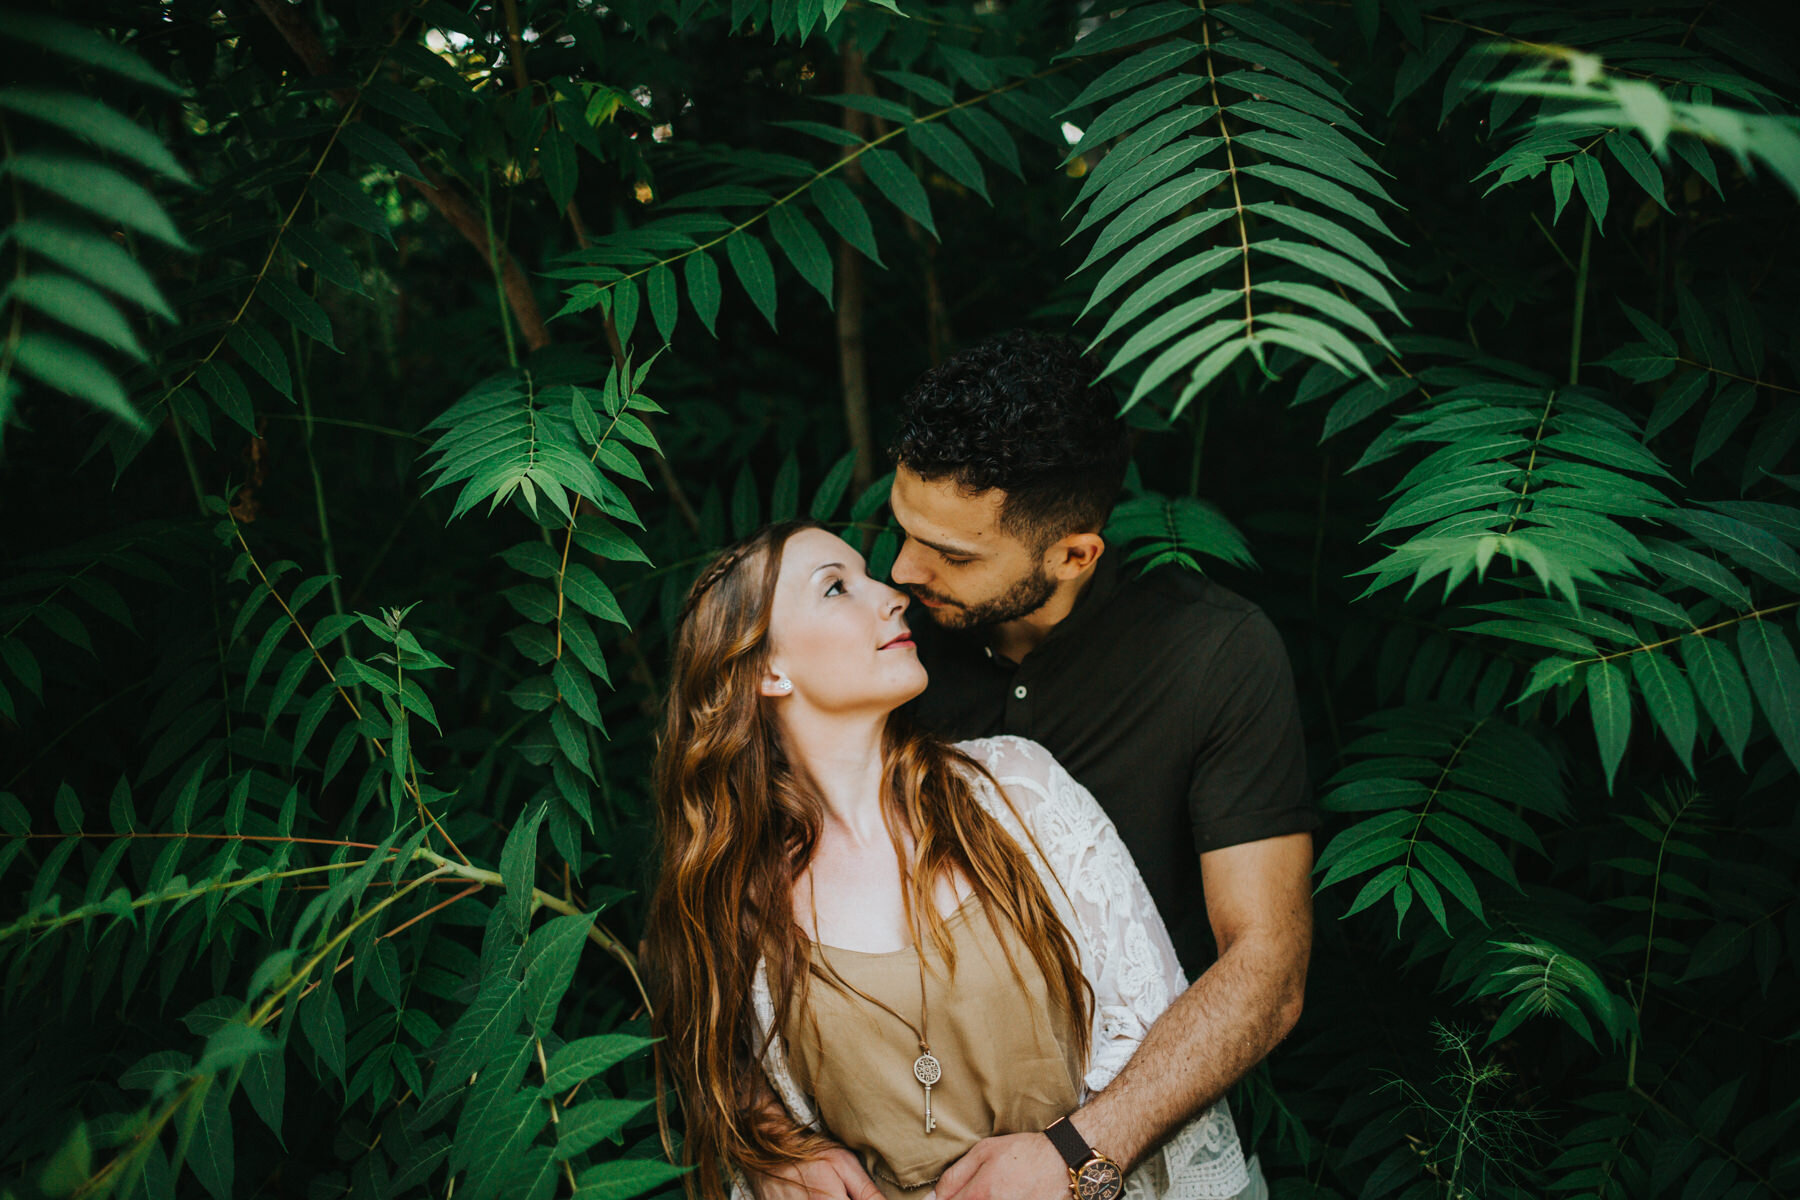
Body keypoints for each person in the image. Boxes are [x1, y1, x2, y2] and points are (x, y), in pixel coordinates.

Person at [642, 522, 1254, 1200]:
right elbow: (708, 1042)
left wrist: (1074, 1163)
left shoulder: (1016, 793)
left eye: (868, 575)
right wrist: (772, 1149)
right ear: (767, 671)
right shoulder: (744, 901)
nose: (892, 595)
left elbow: (1152, 1032)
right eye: (837, 587)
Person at [883, 331, 1318, 1200]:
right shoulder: (880, 643)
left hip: (1131, 1140)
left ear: (1075, 554)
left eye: (954, 555)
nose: (902, 569)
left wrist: (1077, 1153)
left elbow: (1266, 971)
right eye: (903, 530)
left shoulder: (1214, 654)